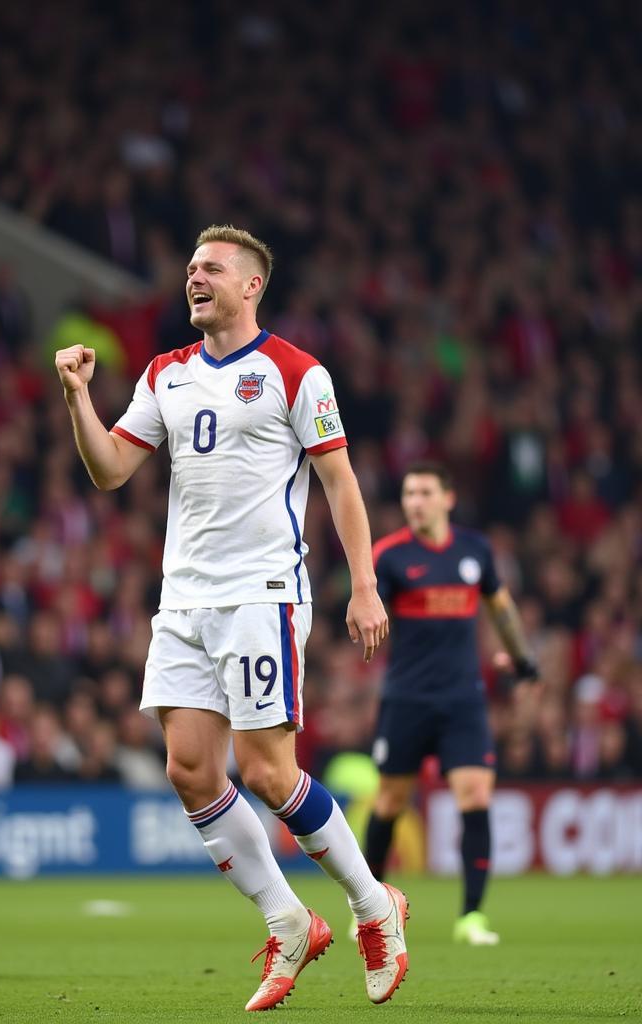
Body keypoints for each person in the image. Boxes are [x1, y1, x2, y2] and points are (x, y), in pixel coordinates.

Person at [55, 225, 409, 1012]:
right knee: (188, 769)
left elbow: (342, 484)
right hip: (183, 599)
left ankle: (373, 906)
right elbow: (110, 470)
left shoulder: (296, 372)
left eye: (212, 268)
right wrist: (79, 396)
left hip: (260, 594)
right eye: (189, 269)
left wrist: (363, 584)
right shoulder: (164, 374)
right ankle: (289, 922)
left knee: (268, 771)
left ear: (252, 286)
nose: (195, 278)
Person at [365, 461, 539, 946]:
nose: (414, 502)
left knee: (476, 797)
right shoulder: (390, 556)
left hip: (464, 699)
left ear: (448, 497)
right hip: (408, 699)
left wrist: (523, 659)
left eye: (423, 492)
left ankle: (471, 917)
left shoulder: (475, 550)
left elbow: (500, 607)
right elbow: (367, 611)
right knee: (390, 802)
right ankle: (369, 909)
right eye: (408, 494)